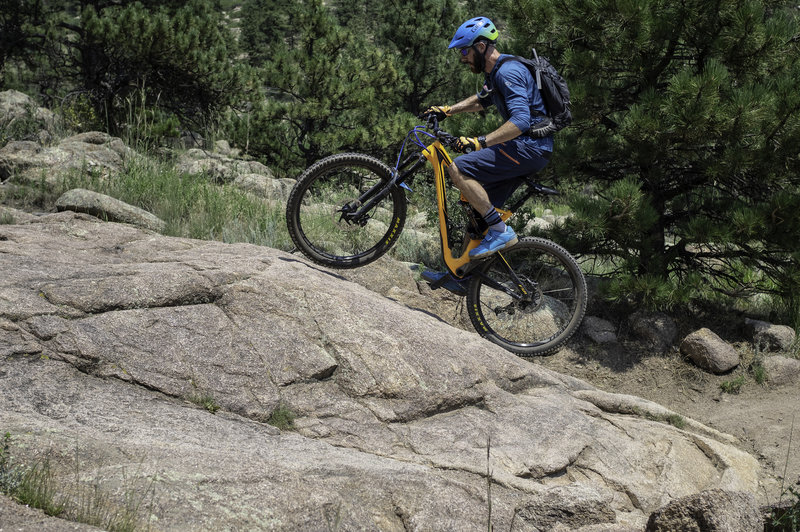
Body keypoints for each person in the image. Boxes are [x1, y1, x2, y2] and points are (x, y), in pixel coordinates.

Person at [420, 16, 554, 296]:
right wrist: (447, 110)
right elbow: (481, 100)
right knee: (479, 210)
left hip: (529, 147)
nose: (462, 58)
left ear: (481, 47)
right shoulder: (495, 74)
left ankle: (500, 231)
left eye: (465, 51)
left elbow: (520, 122)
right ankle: (461, 277)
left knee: (459, 168)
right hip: (530, 150)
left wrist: (480, 142)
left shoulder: (508, 73)